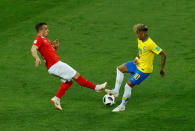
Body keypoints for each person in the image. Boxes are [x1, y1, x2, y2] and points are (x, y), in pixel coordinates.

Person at [31, 22, 107, 111]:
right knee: (76, 75)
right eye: (46, 29)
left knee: (69, 81)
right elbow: (33, 49)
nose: (48, 30)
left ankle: (56, 99)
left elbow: (49, 53)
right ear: (41, 30)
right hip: (55, 65)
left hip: (54, 66)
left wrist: (55, 47)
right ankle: (96, 87)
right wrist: (36, 58)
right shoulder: (39, 39)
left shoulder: (46, 40)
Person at [105, 24, 166, 112]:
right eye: (136, 33)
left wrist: (162, 69)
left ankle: (122, 106)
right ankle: (116, 91)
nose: (137, 35)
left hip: (144, 70)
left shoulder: (151, 44)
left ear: (144, 33)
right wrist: (137, 58)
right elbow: (140, 50)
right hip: (138, 64)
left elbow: (164, 55)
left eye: (138, 33)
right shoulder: (140, 39)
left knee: (128, 86)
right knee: (119, 69)